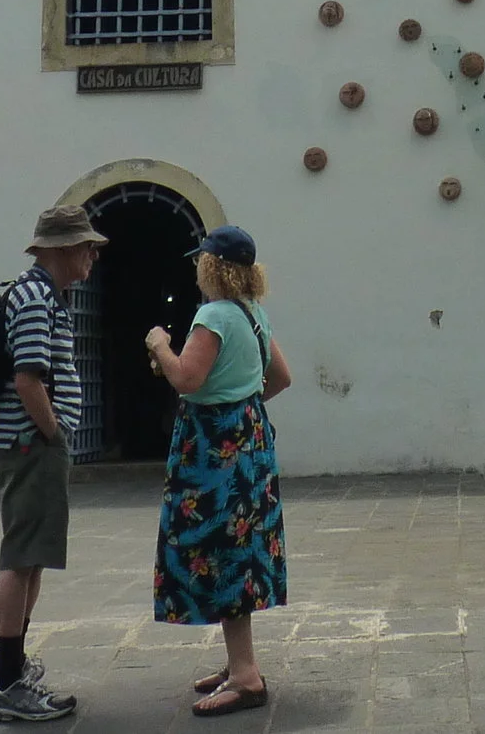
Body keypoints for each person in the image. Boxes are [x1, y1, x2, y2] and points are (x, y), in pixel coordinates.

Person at [144, 223, 292, 719]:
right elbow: (282, 377)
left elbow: (187, 378)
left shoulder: (212, 315)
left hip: (211, 447)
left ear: (211, 266)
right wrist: (243, 403)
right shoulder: (254, 315)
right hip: (249, 438)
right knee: (241, 548)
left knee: (216, 548)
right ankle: (238, 663)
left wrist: (160, 344)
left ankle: (246, 675)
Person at [0, 204, 107, 724]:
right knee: (20, 556)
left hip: (29, 442)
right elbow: (28, 379)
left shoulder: (38, 294)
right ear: (60, 250)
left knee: (30, 555)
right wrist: (54, 433)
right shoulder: (35, 298)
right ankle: (7, 682)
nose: (92, 256)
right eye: (85, 246)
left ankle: (13, 668)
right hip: (30, 443)